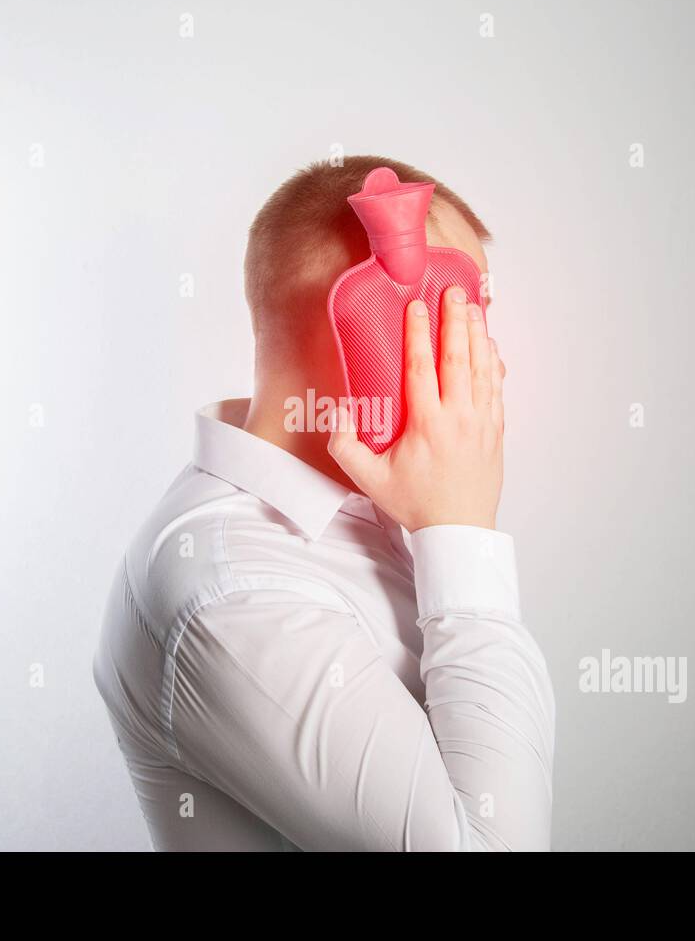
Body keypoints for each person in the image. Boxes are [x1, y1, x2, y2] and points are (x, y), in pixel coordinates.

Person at [92, 156, 555, 850]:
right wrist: (459, 530)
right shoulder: (233, 593)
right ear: (369, 329)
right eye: (462, 321)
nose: (493, 368)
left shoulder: (374, 509)